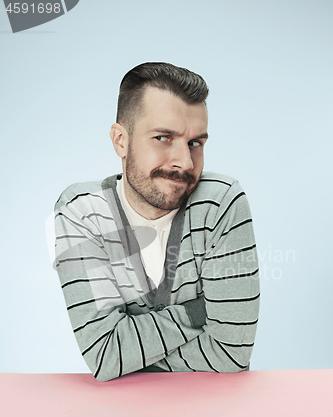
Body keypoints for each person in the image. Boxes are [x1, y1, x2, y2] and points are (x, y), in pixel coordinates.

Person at [54, 62, 260, 381]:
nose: (186, 162)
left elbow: (231, 354)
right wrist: (199, 311)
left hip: (215, 414)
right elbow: (106, 355)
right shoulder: (83, 210)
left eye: (195, 142)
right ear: (121, 140)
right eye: (164, 137)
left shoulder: (220, 202)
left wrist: (131, 352)